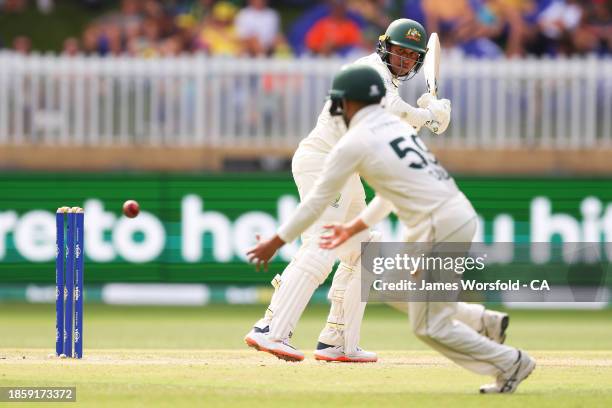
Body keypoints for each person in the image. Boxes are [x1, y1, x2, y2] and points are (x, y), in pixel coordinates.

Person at [247, 65, 536, 394]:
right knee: (386, 282)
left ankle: (511, 361)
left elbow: (316, 203)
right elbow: (388, 194)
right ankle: (482, 322)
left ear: (350, 103)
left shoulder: (355, 141)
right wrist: (354, 227)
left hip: (436, 225)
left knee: (429, 323)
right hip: (452, 217)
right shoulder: (396, 131)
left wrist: (276, 239)